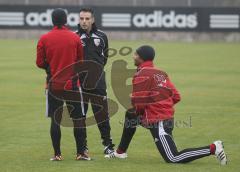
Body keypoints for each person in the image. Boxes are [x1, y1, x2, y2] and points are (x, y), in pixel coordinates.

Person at [108, 45, 227, 165]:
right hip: (162, 117)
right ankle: (120, 152)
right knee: (131, 114)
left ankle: (213, 148)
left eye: (135, 54)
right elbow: (176, 96)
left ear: (141, 58)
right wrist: (162, 107)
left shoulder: (142, 74)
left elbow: (139, 102)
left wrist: (150, 112)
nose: (133, 56)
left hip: (159, 121)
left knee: (173, 158)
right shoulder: (161, 73)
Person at [36, 8, 89, 161]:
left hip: (54, 85)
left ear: (52, 20)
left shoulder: (44, 38)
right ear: (66, 20)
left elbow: (39, 62)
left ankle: (57, 154)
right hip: (72, 84)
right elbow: (80, 62)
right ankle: (81, 153)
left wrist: (50, 66)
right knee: (78, 119)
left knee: (55, 120)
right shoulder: (74, 38)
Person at [75, 7, 115, 158]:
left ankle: (107, 145)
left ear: (93, 20)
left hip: (98, 81)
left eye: (87, 19)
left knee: (102, 114)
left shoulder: (102, 36)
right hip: (79, 82)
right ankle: (83, 148)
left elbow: (104, 58)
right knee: (81, 115)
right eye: (81, 19)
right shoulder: (74, 37)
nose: (84, 22)